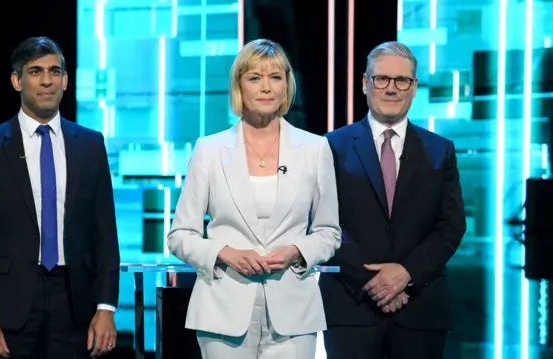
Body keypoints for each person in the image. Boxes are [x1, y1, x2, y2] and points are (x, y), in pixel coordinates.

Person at [167, 38, 341, 359]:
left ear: (286, 86)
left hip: (293, 314)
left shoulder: (315, 149)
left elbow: (329, 233)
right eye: (254, 77)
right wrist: (225, 252)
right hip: (222, 310)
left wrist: (296, 251)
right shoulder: (209, 150)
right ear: (239, 86)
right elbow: (180, 236)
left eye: (275, 77)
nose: (266, 87)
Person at [0, 36, 120, 359]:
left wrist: (106, 307)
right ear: (17, 80)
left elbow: (104, 231)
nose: (47, 80)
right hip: (9, 305)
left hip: (76, 302)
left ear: (66, 80)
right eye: (35, 71)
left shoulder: (90, 144)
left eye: (55, 71)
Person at [320, 41, 466, 359]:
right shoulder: (331, 146)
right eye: (381, 79)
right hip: (351, 308)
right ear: (365, 83)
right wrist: (374, 281)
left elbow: (451, 226)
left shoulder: (440, 150)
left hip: (422, 310)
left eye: (402, 80)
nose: (391, 88)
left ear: (413, 88)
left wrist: (407, 273)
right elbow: (322, 223)